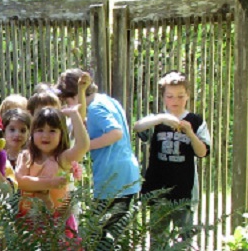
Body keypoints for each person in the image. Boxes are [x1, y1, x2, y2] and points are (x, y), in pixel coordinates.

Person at [56, 68, 141, 248]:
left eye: (67, 99)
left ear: (74, 96)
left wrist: (85, 145)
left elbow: (116, 133)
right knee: (109, 235)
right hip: (126, 174)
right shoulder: (106, 99)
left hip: (114, 177)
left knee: (101, 238)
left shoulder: (95, 108)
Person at [133, 71, 211, 248]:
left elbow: (202, 152)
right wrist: (161, 118)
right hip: (158, 190)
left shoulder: (196, 120)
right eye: (170, 96)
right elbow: (137, 128)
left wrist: (190, 133)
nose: (175, 100)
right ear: (163, 97)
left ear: (188, 96)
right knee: (157, 241)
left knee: (185, 241)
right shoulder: (157, 121)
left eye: (180, 96)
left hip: (185, 192)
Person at [16, 107, 89, 236]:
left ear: (62, 135)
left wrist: (75, 115)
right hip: (29, 222)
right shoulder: (27, 157)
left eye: (52, 131)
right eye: (40, 130)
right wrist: (50, 183)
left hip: (58, 224)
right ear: (32, 133)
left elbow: (82, 146)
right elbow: (21, 181)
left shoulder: (62, 159)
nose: (45, 135)